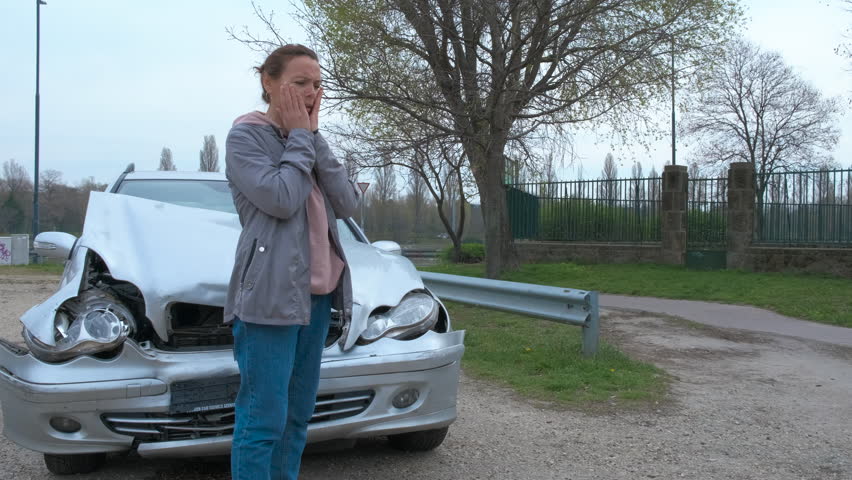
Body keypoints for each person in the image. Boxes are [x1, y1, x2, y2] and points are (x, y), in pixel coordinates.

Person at [223, 44, 359, 480]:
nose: (311, 92)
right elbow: (281, 199)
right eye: (300, 82)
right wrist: (302, 137)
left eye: (317, 84)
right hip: (270, 299)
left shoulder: (309, 139)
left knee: (297, 417)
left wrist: (312, 137)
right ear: (269, 81)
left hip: (316, 298)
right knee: (264, 419)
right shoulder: (245, 136)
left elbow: (349, 202)